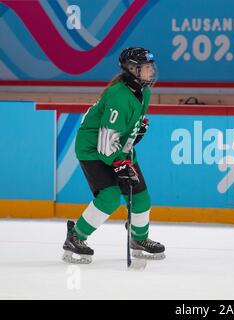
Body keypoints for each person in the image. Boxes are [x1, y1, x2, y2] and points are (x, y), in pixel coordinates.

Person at [62, 47, 165, 264]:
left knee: (141, 197)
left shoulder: (143, 92)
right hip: (93, 149)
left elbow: (124, 129)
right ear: (133, 70)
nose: (150, 71)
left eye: (150, 67)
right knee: (108, 198)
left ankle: (139, 238)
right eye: (146, 67)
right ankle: (76, 236)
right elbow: (106, 143)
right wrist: (119, 164)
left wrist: (137, 130)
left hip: (119, 148)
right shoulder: (118, 96)